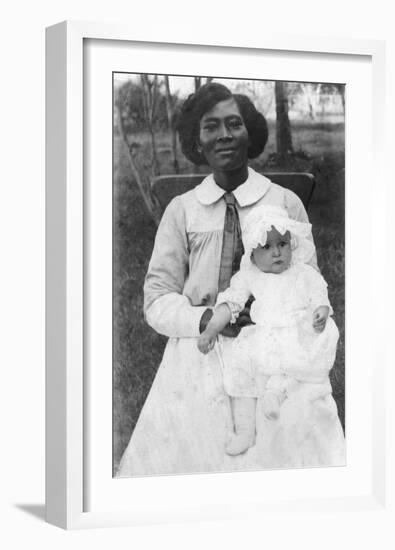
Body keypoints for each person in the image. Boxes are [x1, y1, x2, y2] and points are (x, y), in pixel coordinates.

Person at [117, 82, 345, 477]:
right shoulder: (182, 210)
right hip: (199, 349)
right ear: (196, 140)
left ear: (249, 133)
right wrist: (205, 320)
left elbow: (309, 281)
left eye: (234, 123)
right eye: (211, 126)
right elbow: (156, 299)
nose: (224, 134)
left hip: (275, 349)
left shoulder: (283, 202)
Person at [197, 205, 340, 456]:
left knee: (290, 363)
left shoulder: (302, 272)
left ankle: (276, 392)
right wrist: (210, 330)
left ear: (291, 244)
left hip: (295, 331)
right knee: (241, 368)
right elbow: (230, 303)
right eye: (266, 246)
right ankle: (245, 430)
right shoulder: (250, 276)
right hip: (264, 333)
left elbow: (319, 292)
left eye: (283, 244)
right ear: (252, 254)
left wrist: (321, 310)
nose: (277, 252)